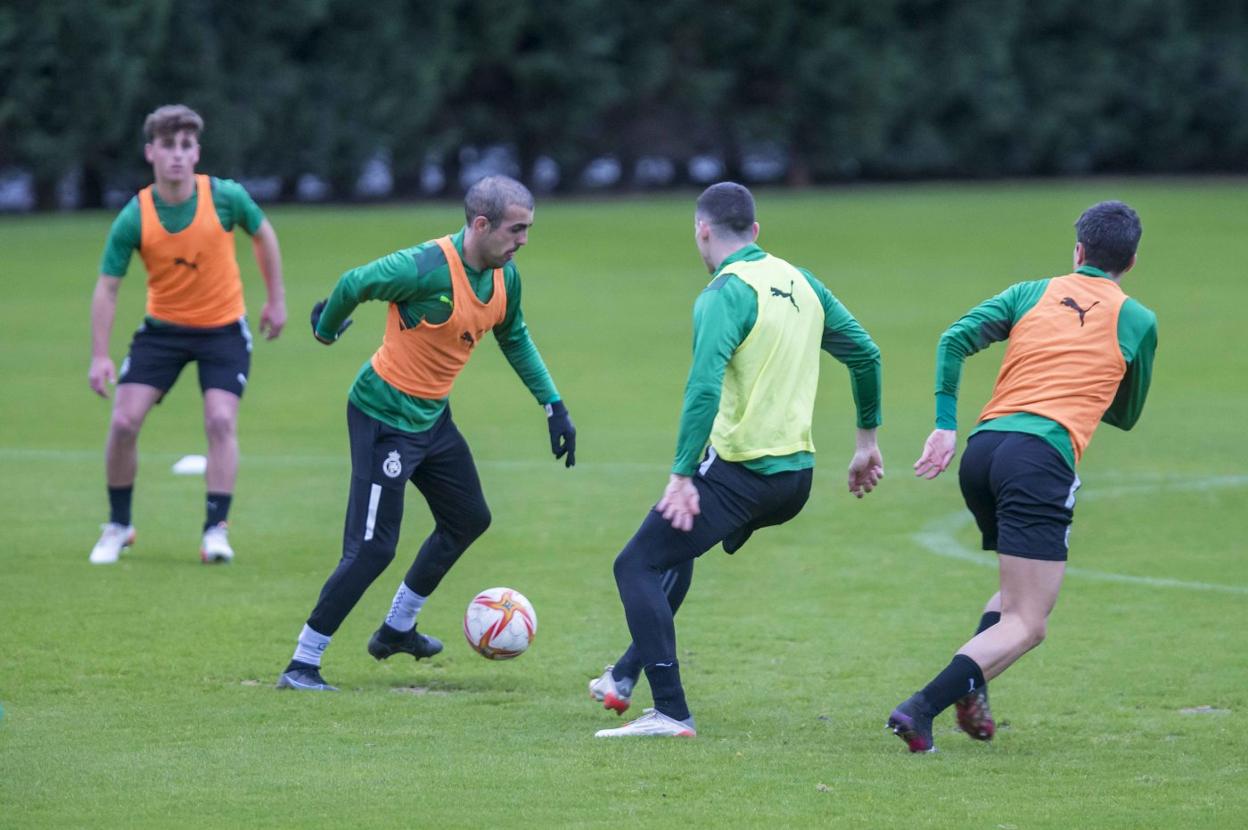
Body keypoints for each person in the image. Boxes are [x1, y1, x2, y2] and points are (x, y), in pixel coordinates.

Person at [592, 182, 883, 737]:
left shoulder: (723, 293)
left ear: (701, 230)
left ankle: (671, 712)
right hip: (795, 479)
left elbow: (702, 387)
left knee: (635, 565)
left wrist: (680, 474)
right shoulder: (799, 281)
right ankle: (623, 677)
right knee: (675, 549)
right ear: (756, 232)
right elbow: (865, 353)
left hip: (743, 473)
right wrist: (866, 443)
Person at [276, 175, 576, 692]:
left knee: (468, 518)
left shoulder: (506, 277)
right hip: (382, 417)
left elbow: (515, 336)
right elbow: (353, 283)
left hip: (432, 418)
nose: (523, 240)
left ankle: (396, 629)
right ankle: (303, 663)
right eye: (517, 229)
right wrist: (327, 330)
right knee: (372, 549)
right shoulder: (425, 266)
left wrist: (553, 405)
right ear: (481, 225)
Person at [887, 200, 1157, 752]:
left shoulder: (1028, 292)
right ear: (1131, 261)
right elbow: (1127, 415)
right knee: (1030, 623)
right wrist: (1081, 384)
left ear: (1078, 250)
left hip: (984, 452)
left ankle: (972, 686)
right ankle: (920, 710)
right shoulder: (1137, 320)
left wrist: (944, 425)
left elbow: (953, 339)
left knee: (1015, 596)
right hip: (1039, 459)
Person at [88, 104, 287, 565]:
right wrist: (100, 355)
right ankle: (119, 525)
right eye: (167, 146)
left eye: (185, 146)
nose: (176, 155)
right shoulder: (135, 216)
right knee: (122, 423)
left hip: (222, 330)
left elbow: (264, 235)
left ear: (196, 152)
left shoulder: (225, 197)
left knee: (220, 420)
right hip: (163, 331)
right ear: (150, 152)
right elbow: (108, 287)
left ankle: (215, 530)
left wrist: (275, 300)